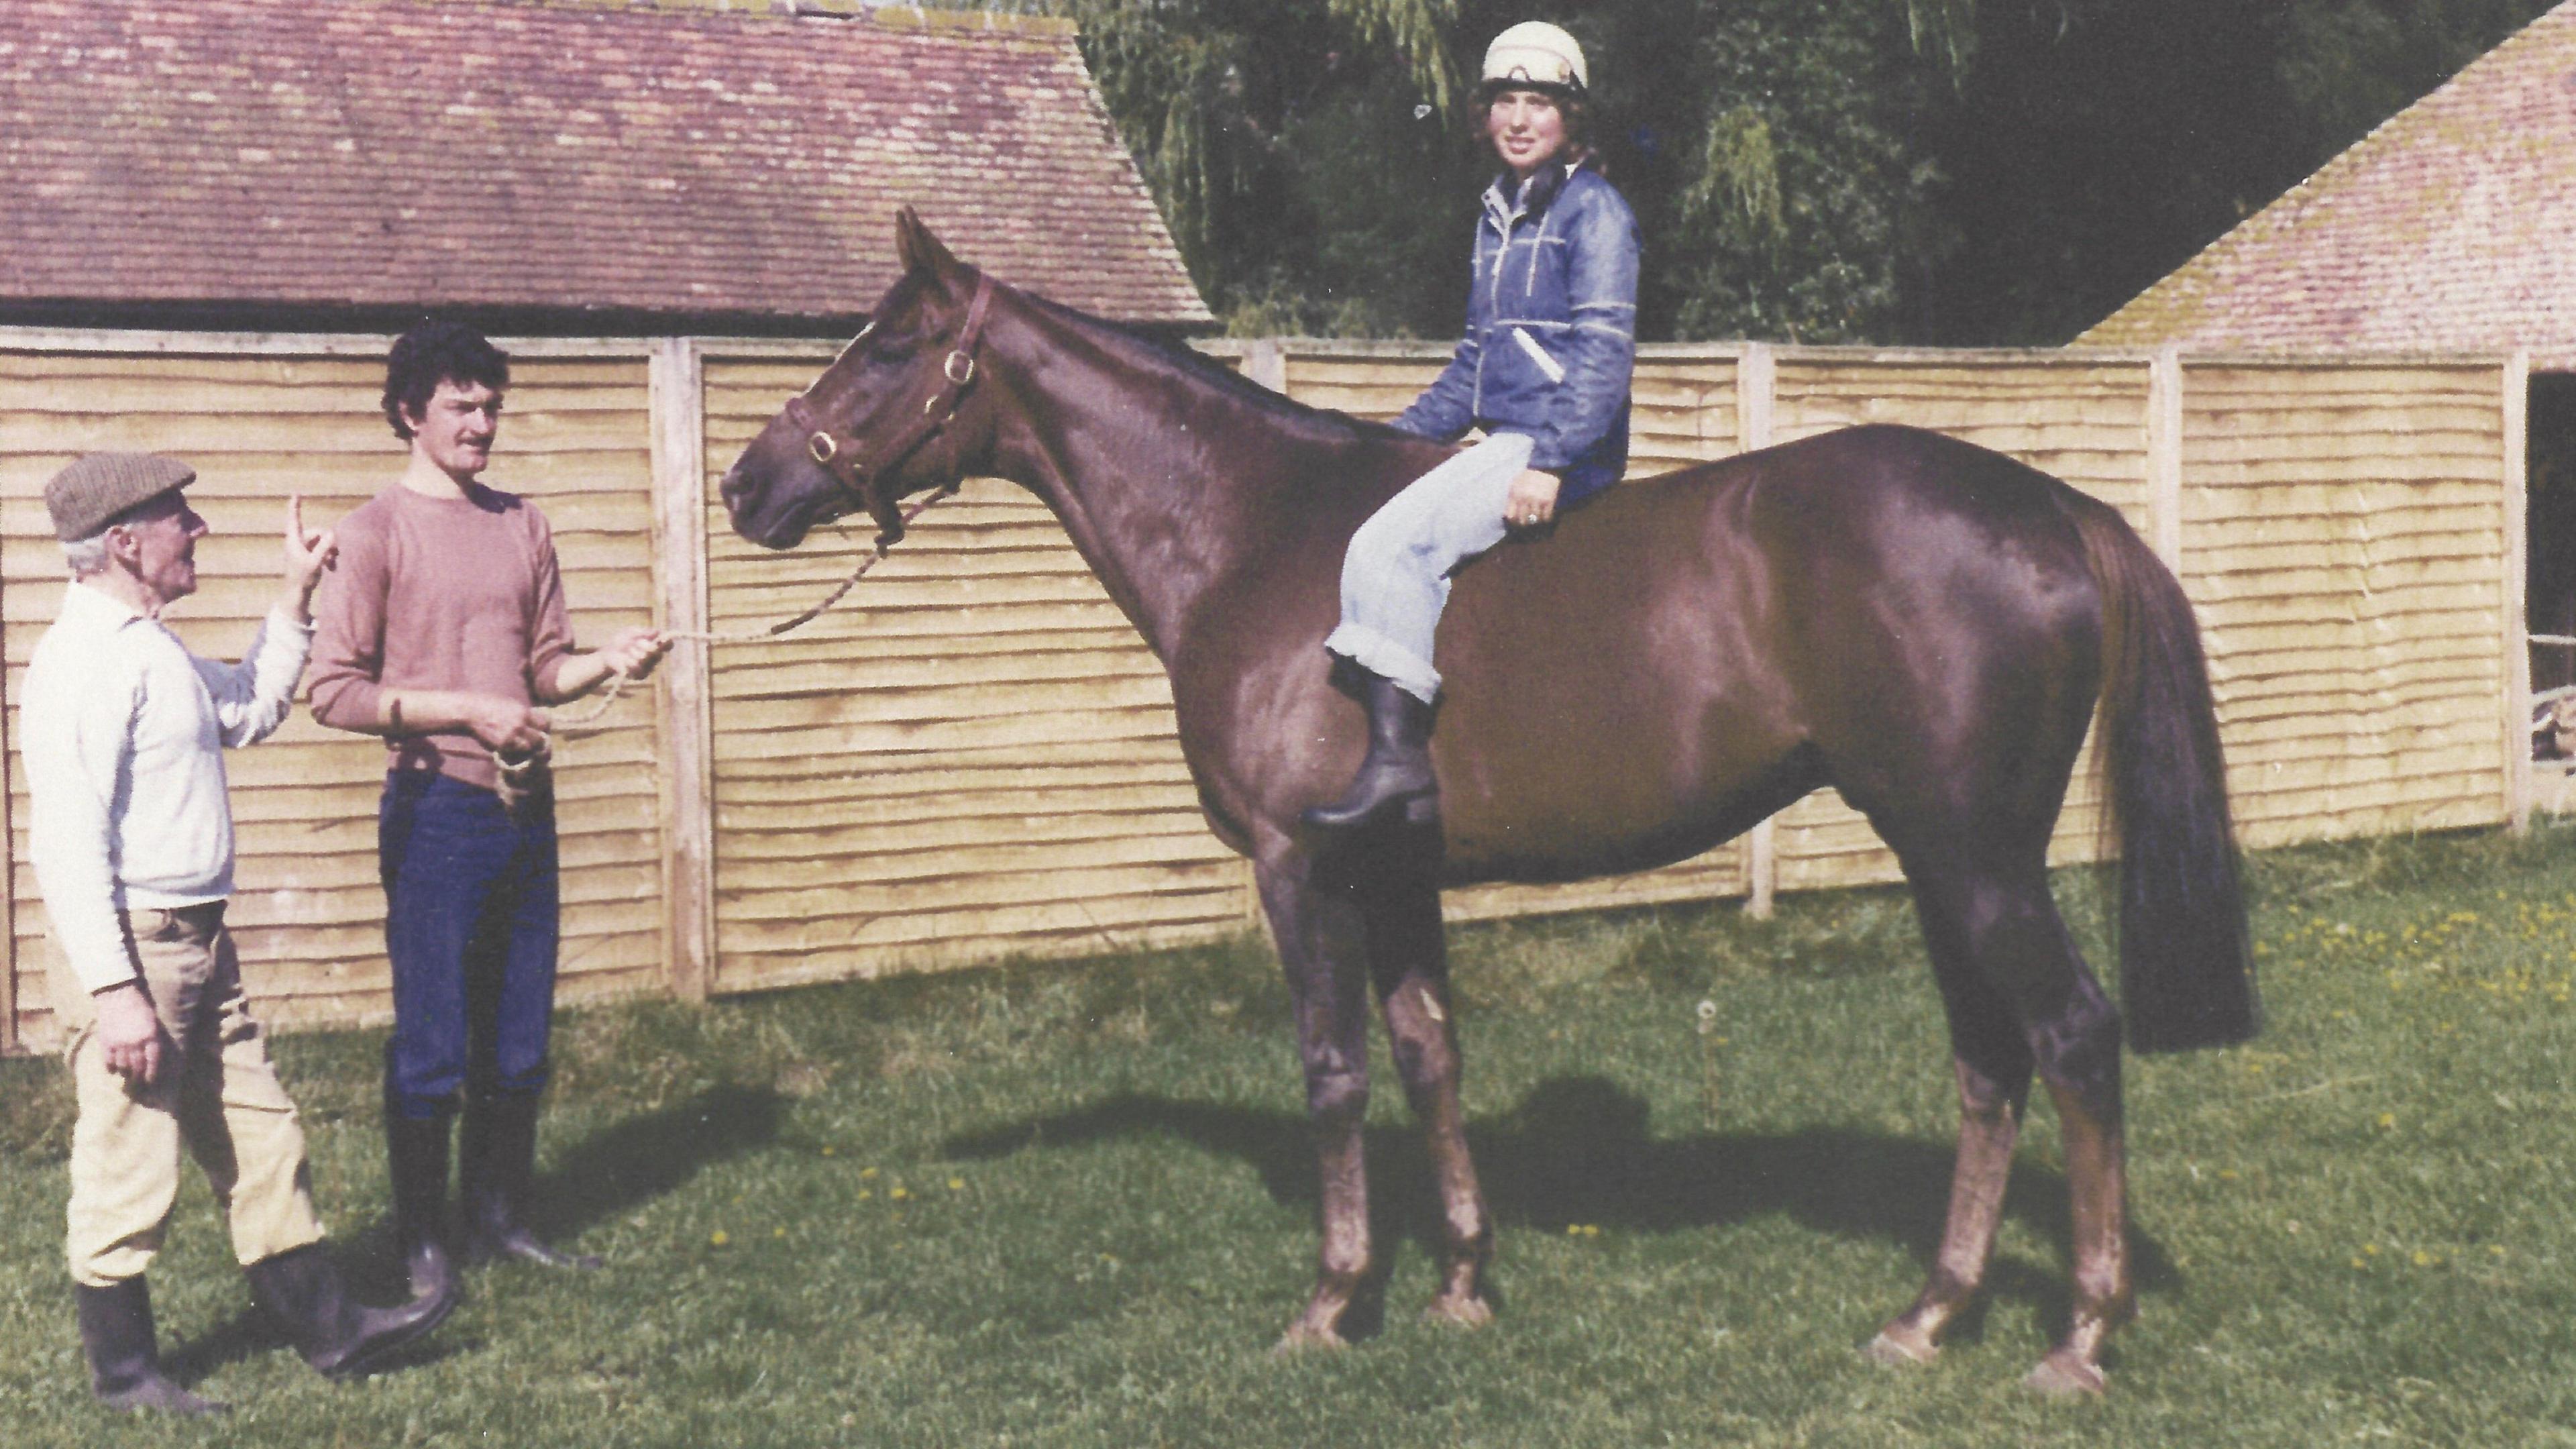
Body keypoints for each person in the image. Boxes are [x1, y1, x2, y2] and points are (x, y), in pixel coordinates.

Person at [24, 453, 455, 1415]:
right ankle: (127, 1376)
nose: (199, 529)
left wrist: (296, 597)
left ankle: (331, 1328)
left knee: (264, 1138)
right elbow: (64, 841)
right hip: (138, 950)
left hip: (199, 947)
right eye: (181, 516)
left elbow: (253, 708)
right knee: (129, 1159)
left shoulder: (151, 647)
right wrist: (114, 989)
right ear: (125, 543)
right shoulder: (84, 660)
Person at [308, 321, 669, 1306]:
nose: (481, 422)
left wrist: (607, 660)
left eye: (492, 404)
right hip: (435, 815)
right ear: (408, 415)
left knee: (518, 1041)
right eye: (461, 404)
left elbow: (543, 672)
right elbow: (333, 691)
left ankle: (502, 1223)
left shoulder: (525, 524)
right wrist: (465, 707)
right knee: (432, 1044)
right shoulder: (373, 533)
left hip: (524, 810)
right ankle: (425, 1247)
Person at [1305, 20, 1641, 835]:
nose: (1520, 119)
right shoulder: (1497, 214)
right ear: (1484, 114)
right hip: (1505, 437)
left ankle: (1398, 768)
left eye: (1540, 102)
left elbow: (1604, 356)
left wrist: (1553, 462)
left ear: (1571, 118)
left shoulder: (1596, 212)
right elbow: (1474, 366)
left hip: (1554, 447)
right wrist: (1385, 442)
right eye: (1504, 101)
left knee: (1389, 548)